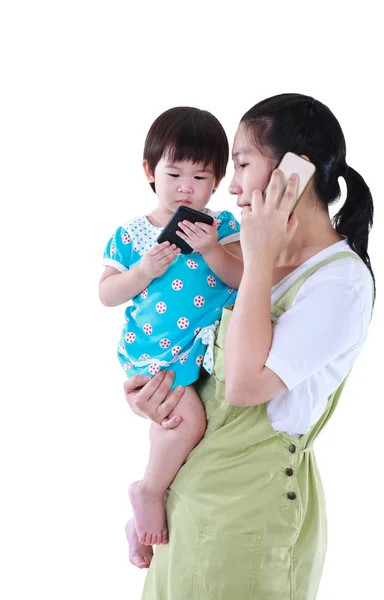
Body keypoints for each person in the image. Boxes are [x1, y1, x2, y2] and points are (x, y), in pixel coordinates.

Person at [122, 93, 375, 599]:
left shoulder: (338, 282)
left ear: (293, 173)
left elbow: (242, 387)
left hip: (246, 515)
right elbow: (209, 376)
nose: (230, 186)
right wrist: (156, 400)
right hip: (192, 497)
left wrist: (258, 260)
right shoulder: (253, 263)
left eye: (241, 164)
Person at [99, 107, 242, 553]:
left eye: (200, 178)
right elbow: (107, 293)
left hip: (201, 350)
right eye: (174, 173)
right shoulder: (131, 235)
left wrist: (213, 249)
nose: (185, 187)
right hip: (157, 350)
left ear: (217, 181)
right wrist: (142, 270)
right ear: (149, 170)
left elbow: (243, 279)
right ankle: (147, 491)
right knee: (184, 422)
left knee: (179, 436)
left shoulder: (224, 226)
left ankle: (139, 532)